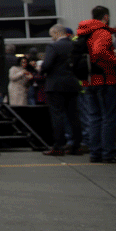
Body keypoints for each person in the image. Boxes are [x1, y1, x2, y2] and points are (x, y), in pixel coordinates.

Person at [77, 6, 116, 164]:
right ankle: (108, 152)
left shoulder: (84, 32)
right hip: (105, 79)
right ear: (106, 17)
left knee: (94, 117)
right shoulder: (102, 31)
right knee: (109, 117)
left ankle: (95, 152)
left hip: (88, 80)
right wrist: (115, 59)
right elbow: (99, 51)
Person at [39, 25, 82, 156]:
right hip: (72, 83)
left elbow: (46, 65)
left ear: (57, 33)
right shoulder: (75, 45)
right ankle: (76, 145)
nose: (51, 37)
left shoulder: (53, 46)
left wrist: (41, 70)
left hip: (55, 85)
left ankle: (58, 146)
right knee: (73, 115)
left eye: (52, 34)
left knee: (57, 115)